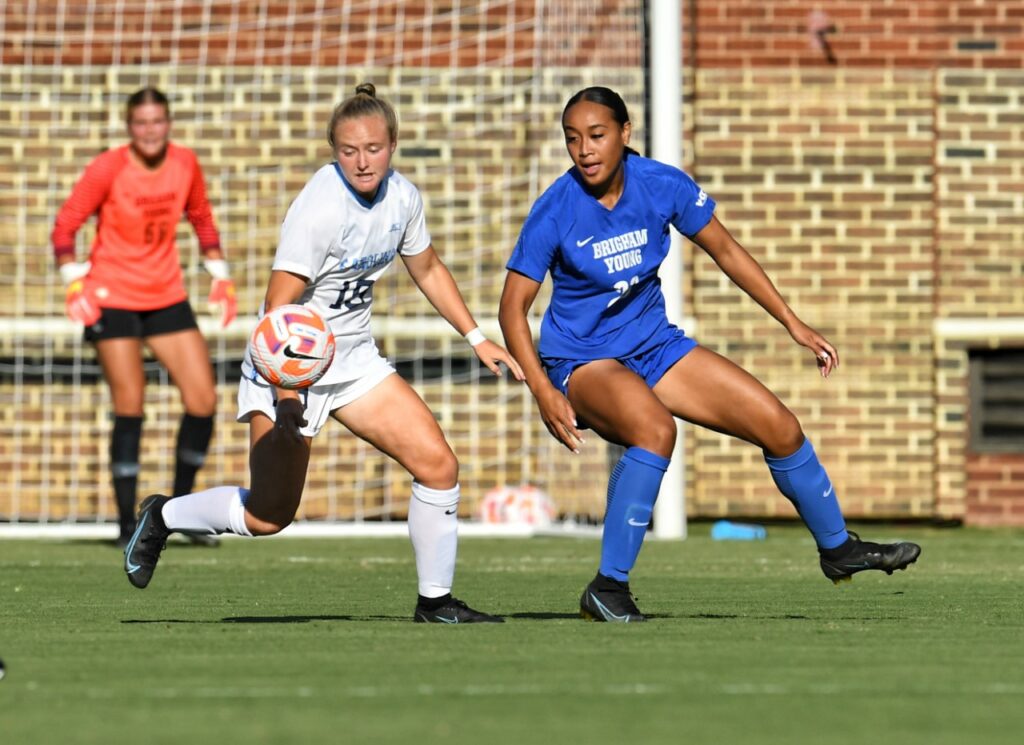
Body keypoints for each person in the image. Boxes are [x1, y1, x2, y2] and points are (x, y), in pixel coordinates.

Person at [498, 86, 921, 623]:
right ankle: (607, 588)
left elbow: (726, 250)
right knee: (655, 430)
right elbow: (511, 310)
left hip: (654, 346)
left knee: (780, 426)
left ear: (625, 133)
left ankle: (839, 549)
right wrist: (541, 390)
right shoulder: (555, 210)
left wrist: (792, 322)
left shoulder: (661, 184)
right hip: (582, 361)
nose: (584, 150)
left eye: (597, 135)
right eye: (572, 139)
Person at [123, 84, 525, 624]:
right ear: (334, 151)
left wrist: (476, 337)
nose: (362, 161)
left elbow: (427, 267)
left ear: (393, 144)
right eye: (348, 150)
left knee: (438, 465)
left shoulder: (403, 197)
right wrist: (287, 393)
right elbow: (277, 308)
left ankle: (436, 602)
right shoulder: (321, 208)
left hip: (354, 361)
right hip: (289, 364)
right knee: (268, 516)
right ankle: (163, 515)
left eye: (374, 148)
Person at [52, 87, 237, 548]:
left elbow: (201, 217)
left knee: (203, 400)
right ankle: (126, 525)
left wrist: (220, 275)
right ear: (129, 126)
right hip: (111, 297)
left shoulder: (185, 163)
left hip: (166, 295)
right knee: (130, 404)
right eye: (140, 122)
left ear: (168, 123)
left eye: (157, 121)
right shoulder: (108, 167)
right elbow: (65, 227)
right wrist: (74, 283)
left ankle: (179, 514)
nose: (150, 130)